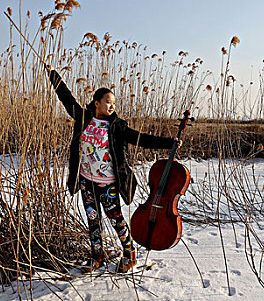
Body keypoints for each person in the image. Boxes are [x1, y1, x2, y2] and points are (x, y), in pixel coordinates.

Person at [45, 64, 178, 273]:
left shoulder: (117, 126)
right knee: (92, 219)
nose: (112, 106)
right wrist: (53, 74)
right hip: (86, 180)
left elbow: (140, 139)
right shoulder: (83, 119)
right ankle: (97, 257)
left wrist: (169, 143)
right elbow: (66, 97)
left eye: (114, 103)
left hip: (108, 183)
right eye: (108, 102)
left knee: (115, 217)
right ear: (96, 103)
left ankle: (129, 255)